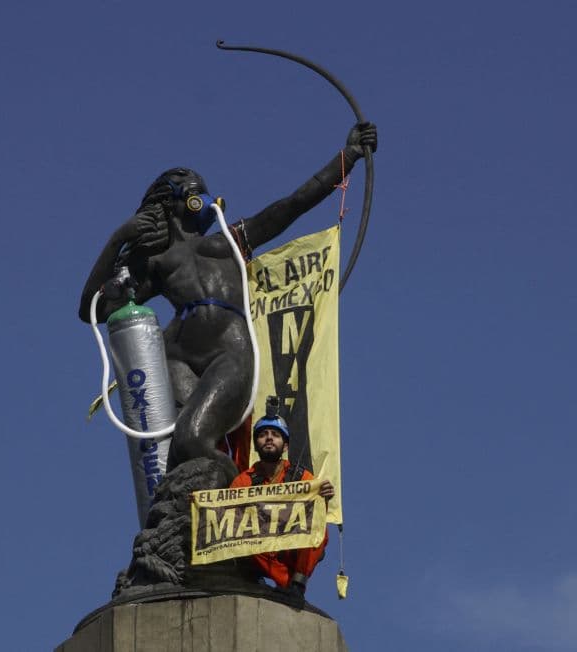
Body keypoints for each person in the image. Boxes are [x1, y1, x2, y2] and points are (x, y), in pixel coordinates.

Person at [79, 123, 378, 479]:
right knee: (179, 450)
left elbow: (292, 205)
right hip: (177, 357)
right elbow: (93, 310)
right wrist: (117, 241)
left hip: (228, 352)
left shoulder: (228, 241)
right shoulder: (156, 264)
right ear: (179, 200)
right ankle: (194, 508)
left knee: (192, 441)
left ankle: (239, 489)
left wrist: (348, 157)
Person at [230, 413, 335, 595]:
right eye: (263, 434)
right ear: (256, 444)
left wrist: (323, 497)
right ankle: (265, 581)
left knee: (319, 528)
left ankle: (297, 585)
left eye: (275, 434)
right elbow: (227, 514)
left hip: (290, 547)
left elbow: (315, 509)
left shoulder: (301, 477)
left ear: (285, 446)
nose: (269, 438)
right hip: (258, 549)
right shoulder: (243, 481)